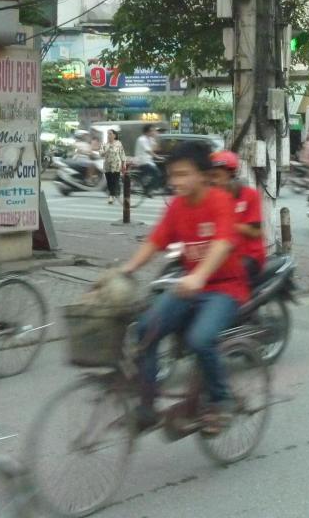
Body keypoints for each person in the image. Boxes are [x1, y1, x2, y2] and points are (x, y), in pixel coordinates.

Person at [122, 141, 249, 433]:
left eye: (183, 174)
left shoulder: (219, 201)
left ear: (203, 174)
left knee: (200, 339)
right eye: (172, 175)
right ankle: (148, 403)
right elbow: (155, 241)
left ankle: (221, 400)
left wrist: (199, 275)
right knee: (145, 329)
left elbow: (222, 243)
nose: (175, 182)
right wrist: (127, 269)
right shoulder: (177, 206)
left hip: (225, 288)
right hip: (190, 287)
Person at [209, 150, 266, 281]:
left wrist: (227, 227)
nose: (213, 180)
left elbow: (256, 231)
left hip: (249, 256)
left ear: (231, 174)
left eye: (217, 176)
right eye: (211, 176)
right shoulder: (212, 197)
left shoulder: (249, 195)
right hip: (222, 254)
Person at [102, 128, 126, 204]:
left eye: (110, 134)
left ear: (114, 135)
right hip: (107, 165)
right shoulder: (105, 144)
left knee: (115, 180)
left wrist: (124, 164)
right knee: (109, 182)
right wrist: (105, 151)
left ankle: (111, 196)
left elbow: (122, 154)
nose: (108, 135)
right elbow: (101, 153)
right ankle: (113, 194)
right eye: (108, 134)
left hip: (116, 165)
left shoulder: (119, 144)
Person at [134, 124, 161, 190]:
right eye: (151, 130)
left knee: (159, 172)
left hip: (149, 161)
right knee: (156, 172)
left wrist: (155, 138)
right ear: (147, 131)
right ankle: (148, 188)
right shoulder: (142, 139)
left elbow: (155, 149)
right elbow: (148, 151)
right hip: (142, 161)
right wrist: (157, 157)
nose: (153, 132)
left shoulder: (150, 139)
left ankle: (150, 187)